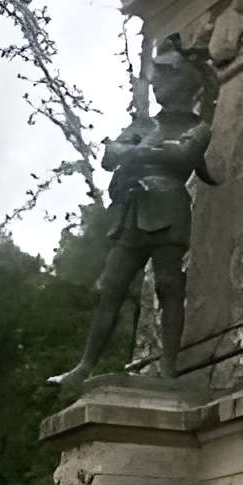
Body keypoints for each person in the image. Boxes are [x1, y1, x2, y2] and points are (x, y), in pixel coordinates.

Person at [51, 37, 217, 397]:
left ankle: (168, 369)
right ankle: (83, 367)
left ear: (181, 83)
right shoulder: (144, 123)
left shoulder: (198, 127)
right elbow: (110, 155)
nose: (155, 84)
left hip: (170, 210)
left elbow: (182, 159)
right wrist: (148, 149)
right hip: (133, 211)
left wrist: (138, 153)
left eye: (162, 77)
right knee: (111, 286)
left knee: (169, 285)